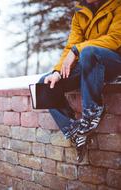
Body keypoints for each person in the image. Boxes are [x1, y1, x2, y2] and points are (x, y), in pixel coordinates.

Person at [38, 0, 121, 162]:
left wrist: (78, 50)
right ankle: (74, 130)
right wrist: (57, 71)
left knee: (89, 52)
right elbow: (71, 46)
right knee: (45, 84)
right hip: (88, 62)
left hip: (114, 61)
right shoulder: (80, 12)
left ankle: (92, 112)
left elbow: (115, 39)